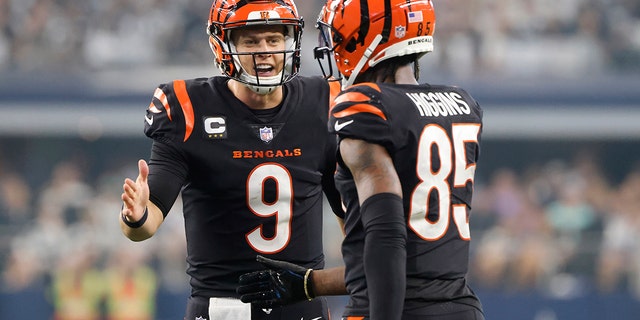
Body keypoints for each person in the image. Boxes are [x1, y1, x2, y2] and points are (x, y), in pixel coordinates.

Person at [238, 0, 485, 319]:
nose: (332, 48)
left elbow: (387, 238)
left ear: (365, 38)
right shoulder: (459, 103)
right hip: (461, 308)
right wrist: (310, 284)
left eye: (337, 36)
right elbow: (411, 259)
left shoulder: (366, 105)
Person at [119, 1, 344, 319]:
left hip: (302, 305)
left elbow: (350, 219)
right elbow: (146, 222)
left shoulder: (323, 103)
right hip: (223, 307)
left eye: (273, 40)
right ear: (224, 45)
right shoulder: (189, 109)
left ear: (289, 42)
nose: (264, 50)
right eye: (251, 41)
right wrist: (135, 215)